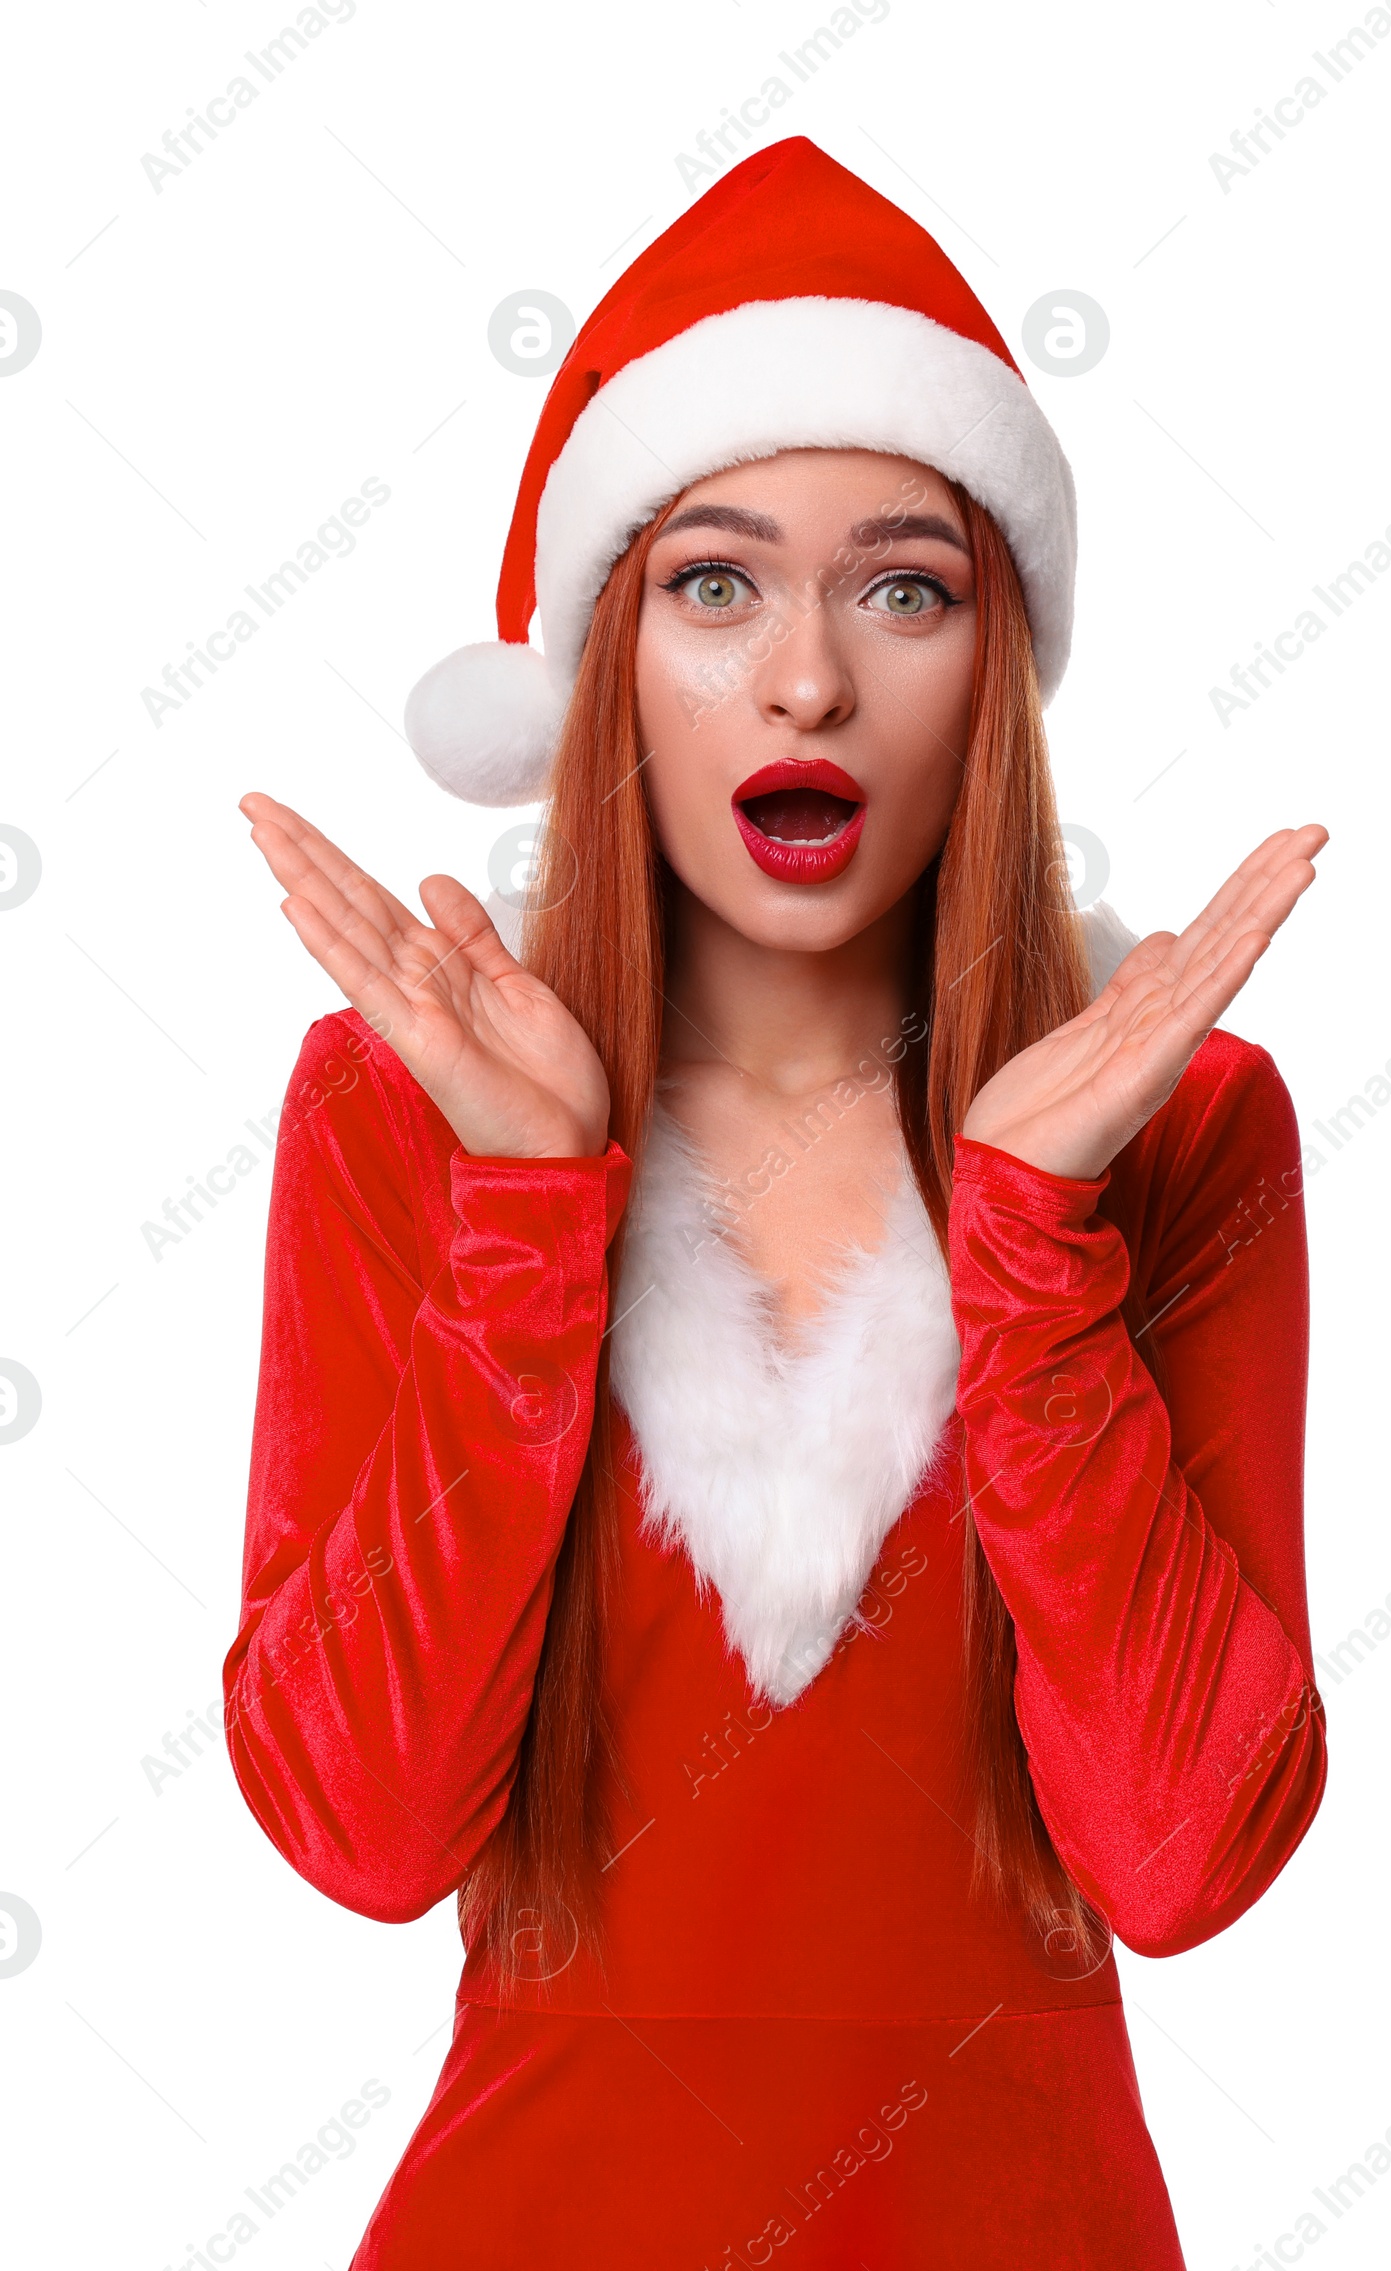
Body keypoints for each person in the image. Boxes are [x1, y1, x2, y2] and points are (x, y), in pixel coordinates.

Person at [224, 138, 1329, 2268]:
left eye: (899, 585)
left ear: (988, 664)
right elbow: (361, 1833)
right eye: (714, 583)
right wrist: (526, 1228)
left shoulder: (1175, 1125)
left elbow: (1177, 1856)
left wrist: (1029, 1246)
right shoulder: (409, 1111)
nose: (805, 677)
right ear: (605, 662)